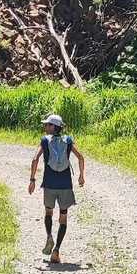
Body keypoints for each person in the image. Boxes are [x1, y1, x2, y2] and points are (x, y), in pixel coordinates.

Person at [27, 112, 85, 263]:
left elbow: (35, 159)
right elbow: (80, 157)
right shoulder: (68, 140)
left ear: (54, 127)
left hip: (49, 184)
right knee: (63, 218)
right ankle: (56, 251)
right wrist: (81, 176)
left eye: (47, 125)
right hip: (65, 185)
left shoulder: (44, 141)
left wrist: (32, 180)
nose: (45, 127)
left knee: (48, 212)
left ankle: (49, 237)